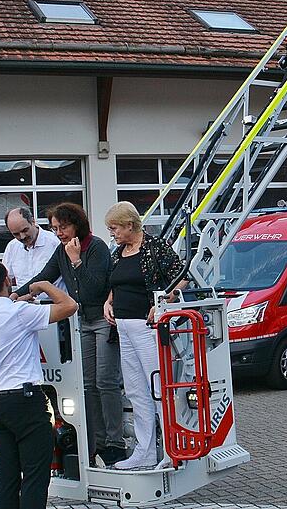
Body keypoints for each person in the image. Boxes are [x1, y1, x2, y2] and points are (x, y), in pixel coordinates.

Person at [14, 202, 126, 465]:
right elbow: (45, 276)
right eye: (54, 228)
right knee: (87, 384)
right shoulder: (61, 250)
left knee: (105, 382)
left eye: (63, 227)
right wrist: (18, 294)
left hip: (102, 320)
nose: (59, 233)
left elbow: (96, 288)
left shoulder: (96, 247)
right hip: (81, 322)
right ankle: (95, 442)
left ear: (77, 224)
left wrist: (76, 261)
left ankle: (115, 442)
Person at [0, 258, 78, 509]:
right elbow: (69, 306)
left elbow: (4, 317)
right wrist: (44, 285)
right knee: (35, 476)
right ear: (7, 280)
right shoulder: (20, 313)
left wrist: (17, 302)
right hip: (26, 401)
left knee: (6, 476)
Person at [104, 201, 186, 469]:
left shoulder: (154, 247)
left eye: (114, 228)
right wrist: (109, 301)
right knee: (136, 391)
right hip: (124, 328)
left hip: (146, 327)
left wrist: (162, 301)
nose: (112, 233)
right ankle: (145, 451)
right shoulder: (119, 252)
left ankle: (172, 449)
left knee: (157, 388)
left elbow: (181, 274)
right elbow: (116, 282)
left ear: (129, 225)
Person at [0, 207, 63, 308]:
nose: (22, 236)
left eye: (25, 230)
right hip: (24, 309)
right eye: (16, 234)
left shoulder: (55, 243)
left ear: (33, 221)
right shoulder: (12, 247)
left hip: (54, 309)